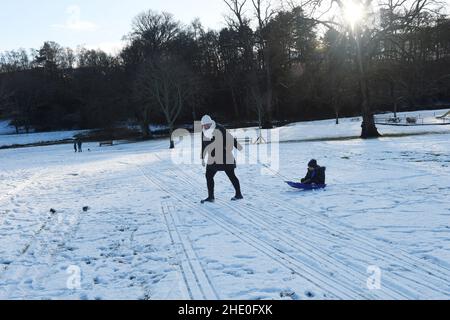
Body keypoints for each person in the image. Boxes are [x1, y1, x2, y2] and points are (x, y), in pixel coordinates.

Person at [200, 115, 243, 203]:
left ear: (211, 122)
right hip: (212, 158)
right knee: (208, 175)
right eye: (204, 125)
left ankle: (238, 194)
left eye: (207, 124)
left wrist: (238, 147)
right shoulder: (203, 132)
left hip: (224, 156)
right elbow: (203, 144)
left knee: (231, 175)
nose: (206, 126)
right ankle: (211, 197)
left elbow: (230, 138)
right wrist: (202, 156)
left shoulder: (219, 128)